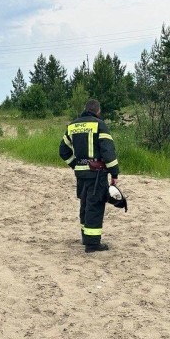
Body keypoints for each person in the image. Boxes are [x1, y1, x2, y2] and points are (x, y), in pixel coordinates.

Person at [58, 99, 119, 252]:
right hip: (97, 174)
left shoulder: (72, 126)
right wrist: (114, 172)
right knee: (95, 205)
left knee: (85, 204)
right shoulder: (100, 125)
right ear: (98, 111)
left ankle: (86, 237)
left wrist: (75, 165)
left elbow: (63, 151)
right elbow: (108, 151)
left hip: (81, 174)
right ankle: (93, 244)